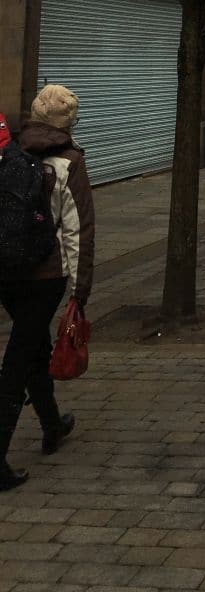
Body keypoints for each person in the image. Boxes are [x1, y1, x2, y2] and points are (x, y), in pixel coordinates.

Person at [1, 86, 95, 491]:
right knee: (18, 359)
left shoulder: (11, 154)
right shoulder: (69, 162)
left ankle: (52, 424)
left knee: (33, 347)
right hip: (45, 274)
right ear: (68, 123)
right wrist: (79, 289)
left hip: (7, 272)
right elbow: (78, 230)